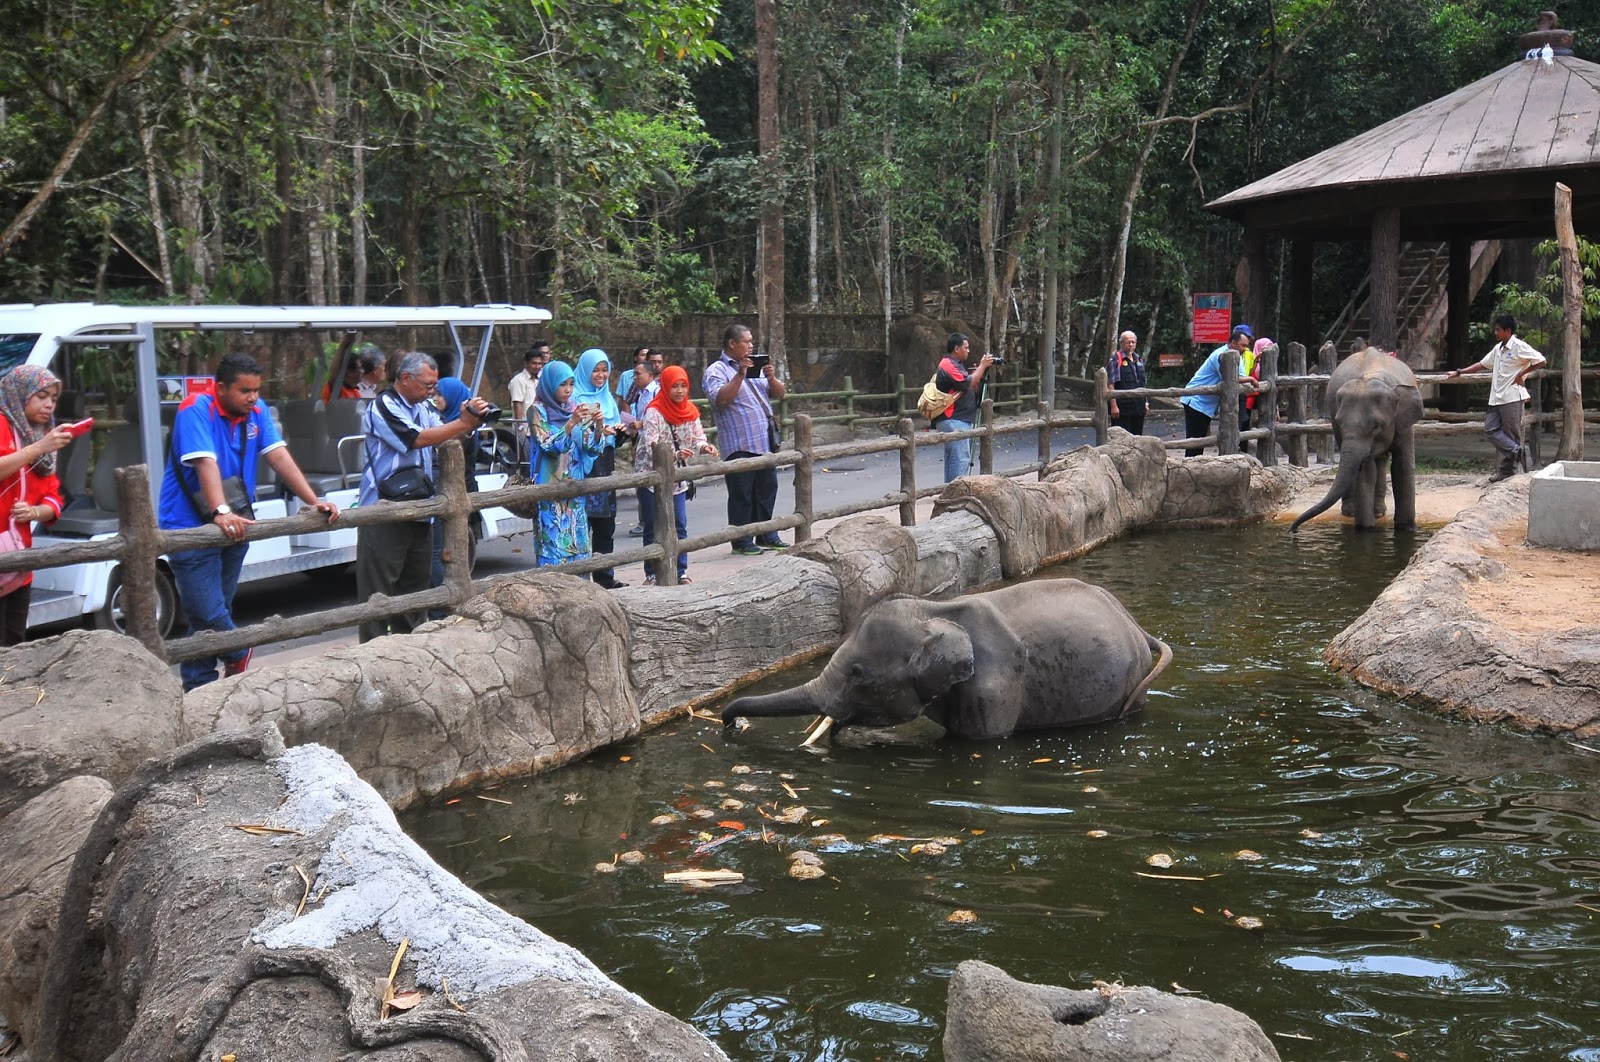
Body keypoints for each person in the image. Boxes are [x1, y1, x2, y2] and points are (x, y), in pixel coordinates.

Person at [160, 352, 340, 687]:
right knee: (206, 609)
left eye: (256, 390)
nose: (253, 397)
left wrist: (314, 501)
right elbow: (205, 463)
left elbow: (277, 455)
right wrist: (220, 511)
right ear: (222, 388)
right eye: (245, 390)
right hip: (189, 525)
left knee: (211, 614)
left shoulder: (256, 413)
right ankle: (238, 650)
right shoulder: (196, 408)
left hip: (236, 523)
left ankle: (200, 687)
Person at [356, 351, 488, 643]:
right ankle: (372, 652)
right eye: (428, 385)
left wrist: (471, 423)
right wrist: (463, 422)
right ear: (405, 378)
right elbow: (416, 439)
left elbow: (443, 440)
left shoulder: (425, 407)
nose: (432, 391)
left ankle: (411, 649)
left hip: (419, 507)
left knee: (415, 588)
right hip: (383, 510)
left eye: (434, 386)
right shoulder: (383, 406)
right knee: (378, 592)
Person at [0, 366, 71, 646]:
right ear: (20, 394)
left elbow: (54, 498)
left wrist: (35, 512)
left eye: (53, 398)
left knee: (14, 641)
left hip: (19, 555)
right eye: (41, 396)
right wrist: (36, 448)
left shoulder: (40, 434)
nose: (49, 404)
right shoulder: (6, 427)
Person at [703, 323, 787, 555]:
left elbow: (780, 394)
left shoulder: (756, 366)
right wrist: (740, 374)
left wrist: (770, 377)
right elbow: (720, 399)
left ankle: (767, 532)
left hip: (763, 442)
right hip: (739, 444)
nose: (751, 346)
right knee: (742, 494)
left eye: (752, 342)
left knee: (767, 488)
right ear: (732, 344)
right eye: (747, 342)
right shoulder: (716, 371)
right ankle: (741, 540)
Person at [637, 365, 718, 585]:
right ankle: (652, 572)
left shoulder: (689, 411)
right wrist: (674, 454)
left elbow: (697, 438)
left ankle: (680, 570)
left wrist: (705, 447)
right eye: (674, 386)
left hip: (677, 479)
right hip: (651, 476)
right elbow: (651, 442)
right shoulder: (654, 411)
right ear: (665, 386)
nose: (680, 391)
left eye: (683, 386)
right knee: (653, 525)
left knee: (679, 524)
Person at [1446, 313, 1546, 482]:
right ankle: (1517, 452)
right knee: (1490, 429)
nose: (1495, 332)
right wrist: (1459, 372)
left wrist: (1522, 373)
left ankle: (1507, 471)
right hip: (1496, 397)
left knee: (1511, 433)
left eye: (1498, 330)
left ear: (1508, 331)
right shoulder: (1498, 349)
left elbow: (1541, 360)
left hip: (1511, 396)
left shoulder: (1519, 347)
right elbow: (1482, 364)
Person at [528, 359, 607, 568]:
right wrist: (571, 423)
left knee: (579, 544)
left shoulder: (574, 408)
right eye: (562, 384)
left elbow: (591, 448)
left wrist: (598, 426)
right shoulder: (537, 411)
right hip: (549, 490)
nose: (568, 390)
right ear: (550, 384)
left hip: (575, 488)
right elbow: (548, 445)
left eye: (571, 384)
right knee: (553, 545)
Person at [573, 349, 630, 588]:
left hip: (605, 466)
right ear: (585, 370)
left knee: (605, 525)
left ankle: (605, 577)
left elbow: (615, 440)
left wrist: (618, 433)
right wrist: (597, 431)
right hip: (584, 467)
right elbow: (575, 433)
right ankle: (580, 579)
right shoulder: (574, 396)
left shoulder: (607, 398)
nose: (600, 375)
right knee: (582, 525)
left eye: (604, 370)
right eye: (595, 370)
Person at [1180, 325, 1257, 457]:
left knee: (1200, 441)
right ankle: (1189, 471)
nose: (1245, 349)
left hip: (1206, 404)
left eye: (1246, 345)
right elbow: (1230, 377)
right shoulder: (1220, 355)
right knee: (1195, 441)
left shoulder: (1237, 356)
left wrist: (1247, 381)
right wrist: (1250, 379)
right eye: (1242, 345)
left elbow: (1240, 375)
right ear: (1233, 343)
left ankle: (1195, 470)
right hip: (1196, 400)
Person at [929, 332, 995, 483]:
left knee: (953, 457)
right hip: (954, 419)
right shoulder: (948, 364)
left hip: (957, 419)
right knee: (961, 458)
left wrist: (976, 374)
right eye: (966, 347)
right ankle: (957, 492)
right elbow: (967, 384)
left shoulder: (955, 365)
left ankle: (949, 490)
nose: (968, 351)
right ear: (957, 348)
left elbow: (966, 384)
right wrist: (983, 366)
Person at [625, 360, 659, 537]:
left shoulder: (656, 392)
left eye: (638, 374)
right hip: (641, 443)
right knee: (643, 485)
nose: (635, 377)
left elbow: (659, 417)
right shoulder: (639, 394)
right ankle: (646, 521)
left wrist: (642, 423)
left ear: (650, 375)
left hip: (655, 447)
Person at [1106, 330, 1147, 436]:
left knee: (1137, 437)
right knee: (1121, 438)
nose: (1131, 345)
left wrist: (1146, 402)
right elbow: (1110, 384)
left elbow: (1143, 383)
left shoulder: (1138, 359)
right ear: (1122, 343)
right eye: (1128, 342)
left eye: (1133, 342)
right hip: (1123, 409)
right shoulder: (1116, 360)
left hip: (1138, 407)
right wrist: (1113, 406)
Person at [509, 342, 550, 438]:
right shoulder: (518, 380)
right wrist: (520, 428)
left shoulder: (542, 379)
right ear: (526, 363)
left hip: (541, 430)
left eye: (539, 363)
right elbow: (517, 404)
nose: (537, 366)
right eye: (534, 363)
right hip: (526, 431)